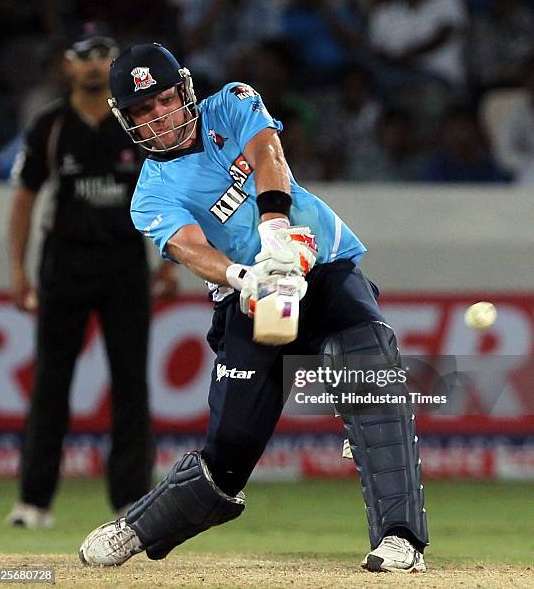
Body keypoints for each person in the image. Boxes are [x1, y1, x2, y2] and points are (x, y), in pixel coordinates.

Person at [78, 43, 428, 573]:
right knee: (230, 453)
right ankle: (136, 528)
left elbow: (268, 155)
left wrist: (275, 230)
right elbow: (190, 248)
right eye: (142, 111)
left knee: (371, 375)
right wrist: (246, 275)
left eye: (164, 99)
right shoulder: (149, 196)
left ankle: (400, 540)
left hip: (321, 266)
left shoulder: (233, 102)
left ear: (185, 91)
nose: (158, 117)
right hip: (254, 300)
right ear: (127, 121)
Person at [6, 23, 178, 528]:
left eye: (104, 54)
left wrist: (168, 263)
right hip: (64, 264)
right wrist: (18, 270)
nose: (94, 64)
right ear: (68, 65)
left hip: (125, 265)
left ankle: (131, 500)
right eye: (84, 56)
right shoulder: (51, 126)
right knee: (50, 383)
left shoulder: (137, 124)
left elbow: (170, 196)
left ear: (114, 63)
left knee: (130, 383)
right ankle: (34, 502)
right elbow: (24, 201)